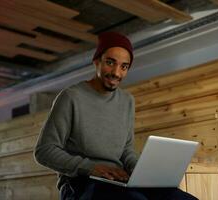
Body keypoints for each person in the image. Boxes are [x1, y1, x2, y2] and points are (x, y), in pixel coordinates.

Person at [34, 32, 198, 200]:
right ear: (96, 61)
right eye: (110, 62)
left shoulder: (127, 101)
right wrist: (91, 168)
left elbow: (126, 150)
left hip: (119, 180)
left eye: (124, 66)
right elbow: (44, 151)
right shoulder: (71, 97)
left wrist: (139, 169)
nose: (116, 73)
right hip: (81, 183)